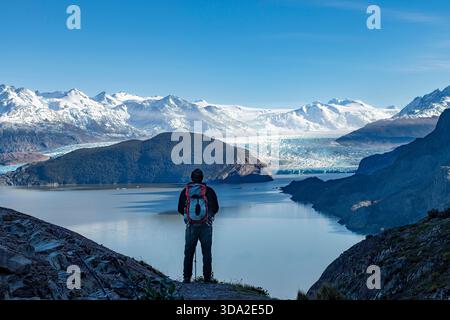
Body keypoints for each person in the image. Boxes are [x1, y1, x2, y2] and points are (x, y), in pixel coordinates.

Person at [178, 169, 219, 283]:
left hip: (191, 226)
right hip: (206, 226)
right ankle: (207, 278)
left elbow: (180, 209)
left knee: (189, 252)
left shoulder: (186, 192)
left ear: (192, 178)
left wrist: (190, 217)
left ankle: (187, 278)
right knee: (206, 252)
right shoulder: (209, 191)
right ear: (202, 178)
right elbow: (215, 208)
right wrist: (208, 217)